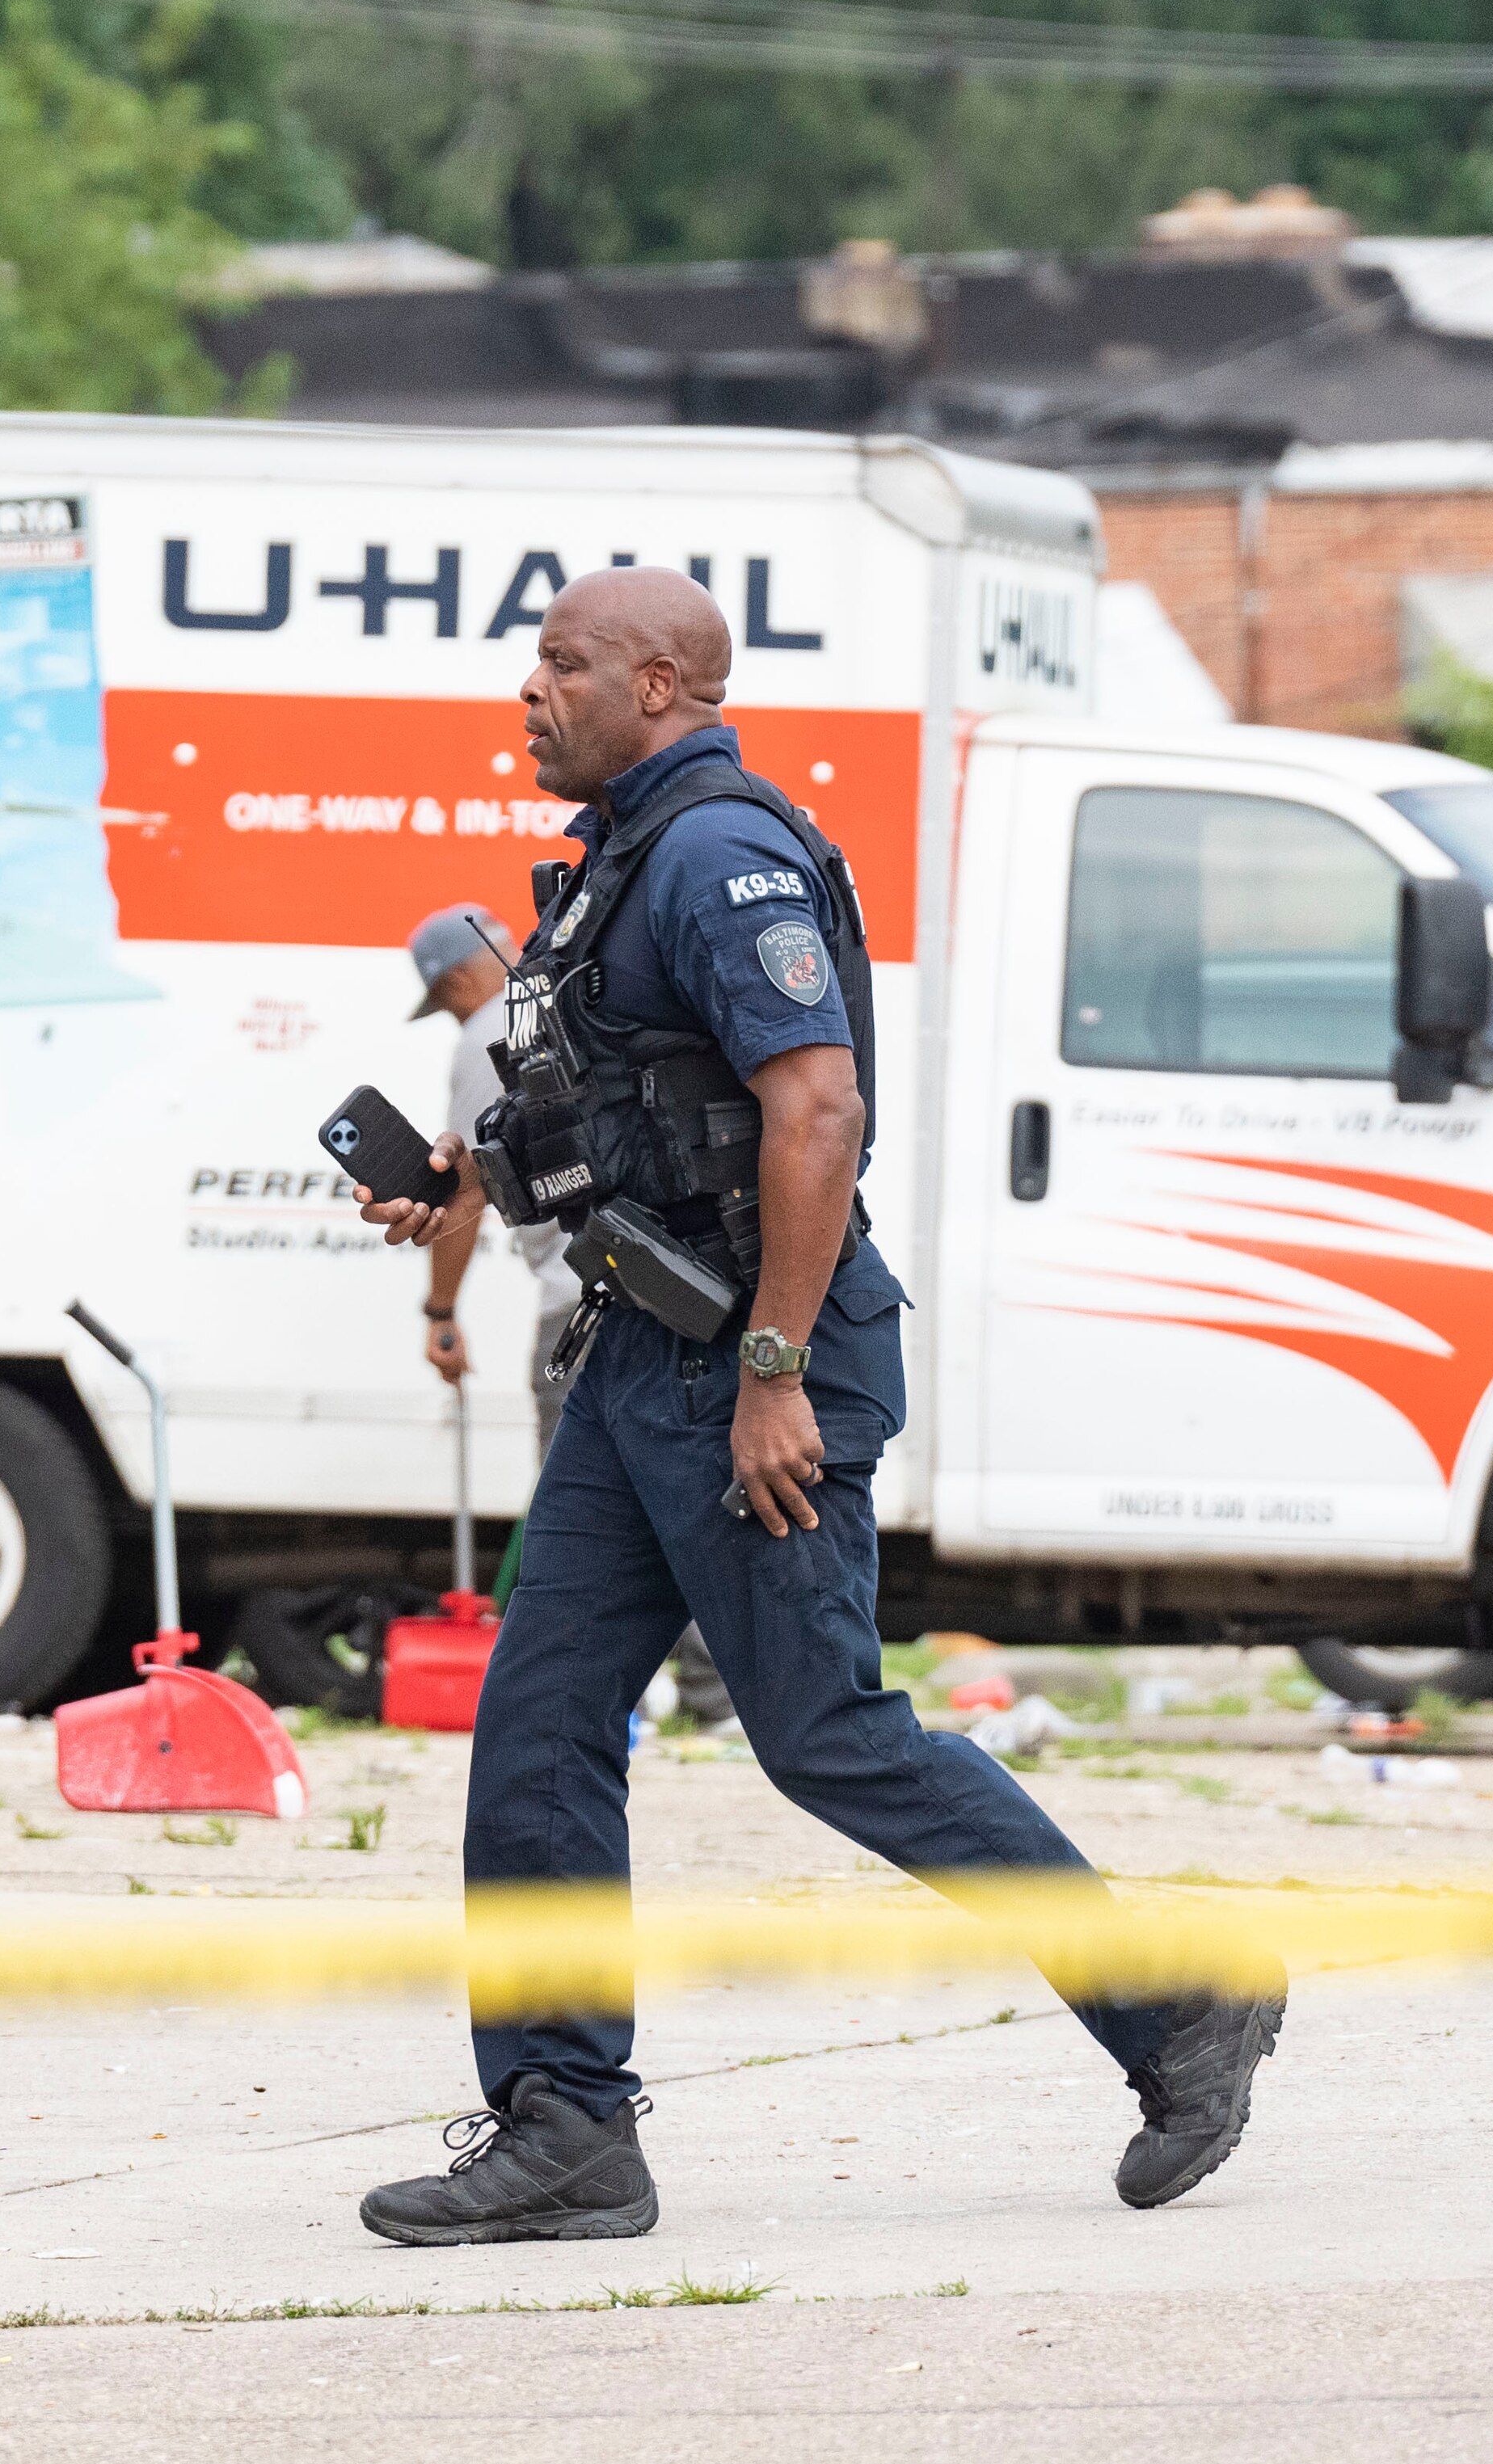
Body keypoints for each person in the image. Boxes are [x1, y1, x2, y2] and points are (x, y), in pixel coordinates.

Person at [348, 567, 1284, 2243]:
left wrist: (774, 1369)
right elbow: (611, 1110)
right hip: (646, 1353)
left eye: (558, 665)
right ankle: (566, 2119)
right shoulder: (620, 858)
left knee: (825, 1734)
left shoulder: (720, 853)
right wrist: (456, 1176)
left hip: (754, 1363)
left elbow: (816, 1106)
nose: (528, 693)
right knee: (538, 1723)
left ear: (659, 681)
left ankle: (1177, 2005)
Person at [408, 900, 735, 1731]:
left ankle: (615, 1700)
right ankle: (689, 1697)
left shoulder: (485, 1041)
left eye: (442, 996)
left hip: (576, 1312)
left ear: (453, 979)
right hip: (656, 1294)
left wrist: (440, 1310)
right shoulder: (573, 1013)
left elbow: (461, 1201)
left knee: (583, 1520)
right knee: (664, 1494)